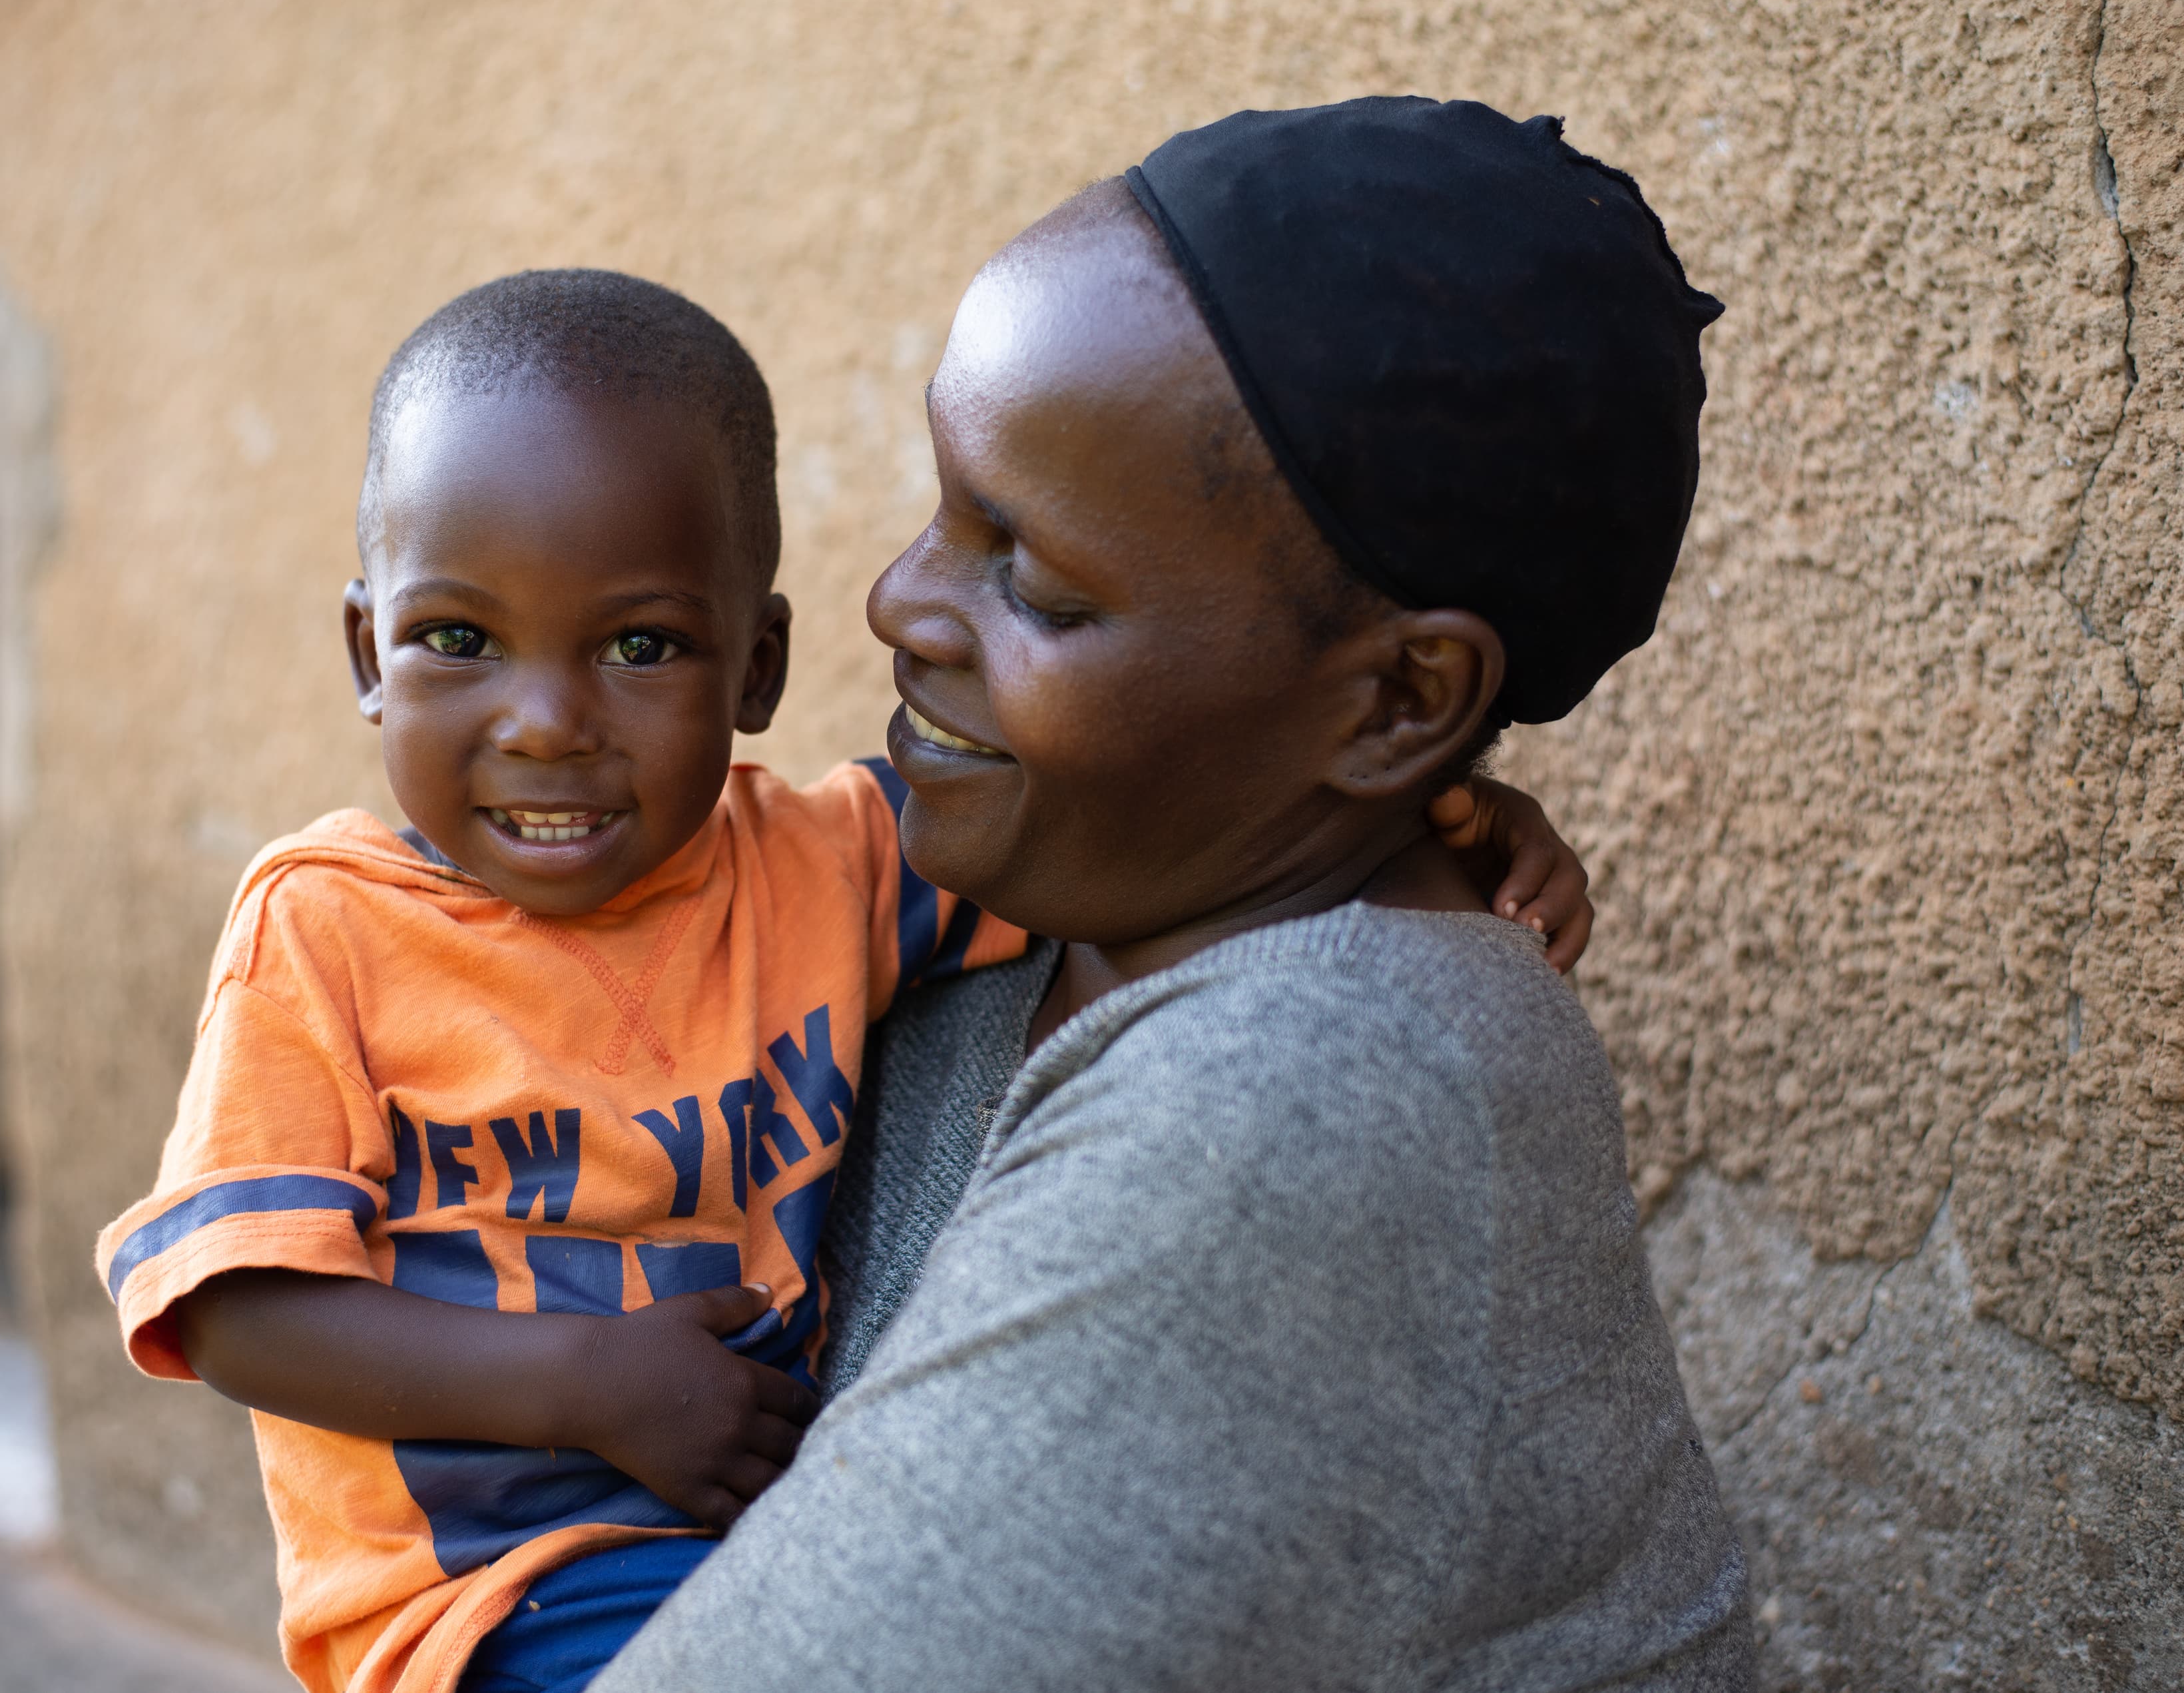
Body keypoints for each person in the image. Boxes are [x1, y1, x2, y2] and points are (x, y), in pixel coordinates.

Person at [91, 266, 1591, 1693]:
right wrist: (587, 1386)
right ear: (368, 651)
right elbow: (239, 1317)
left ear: (756, 669)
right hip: (489, 1603)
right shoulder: (327, 927)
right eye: (458, 638)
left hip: (766, 1544)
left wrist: (1408, 811)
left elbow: (1153, 847)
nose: (545, 721)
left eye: (638, 645)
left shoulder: (829, 864)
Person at [595, 99, 1750, 1690]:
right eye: (946, 506)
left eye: (1039, 582)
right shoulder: (1008, 936)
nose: (897, 601)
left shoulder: (1300, 1095)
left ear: (1401, 704)